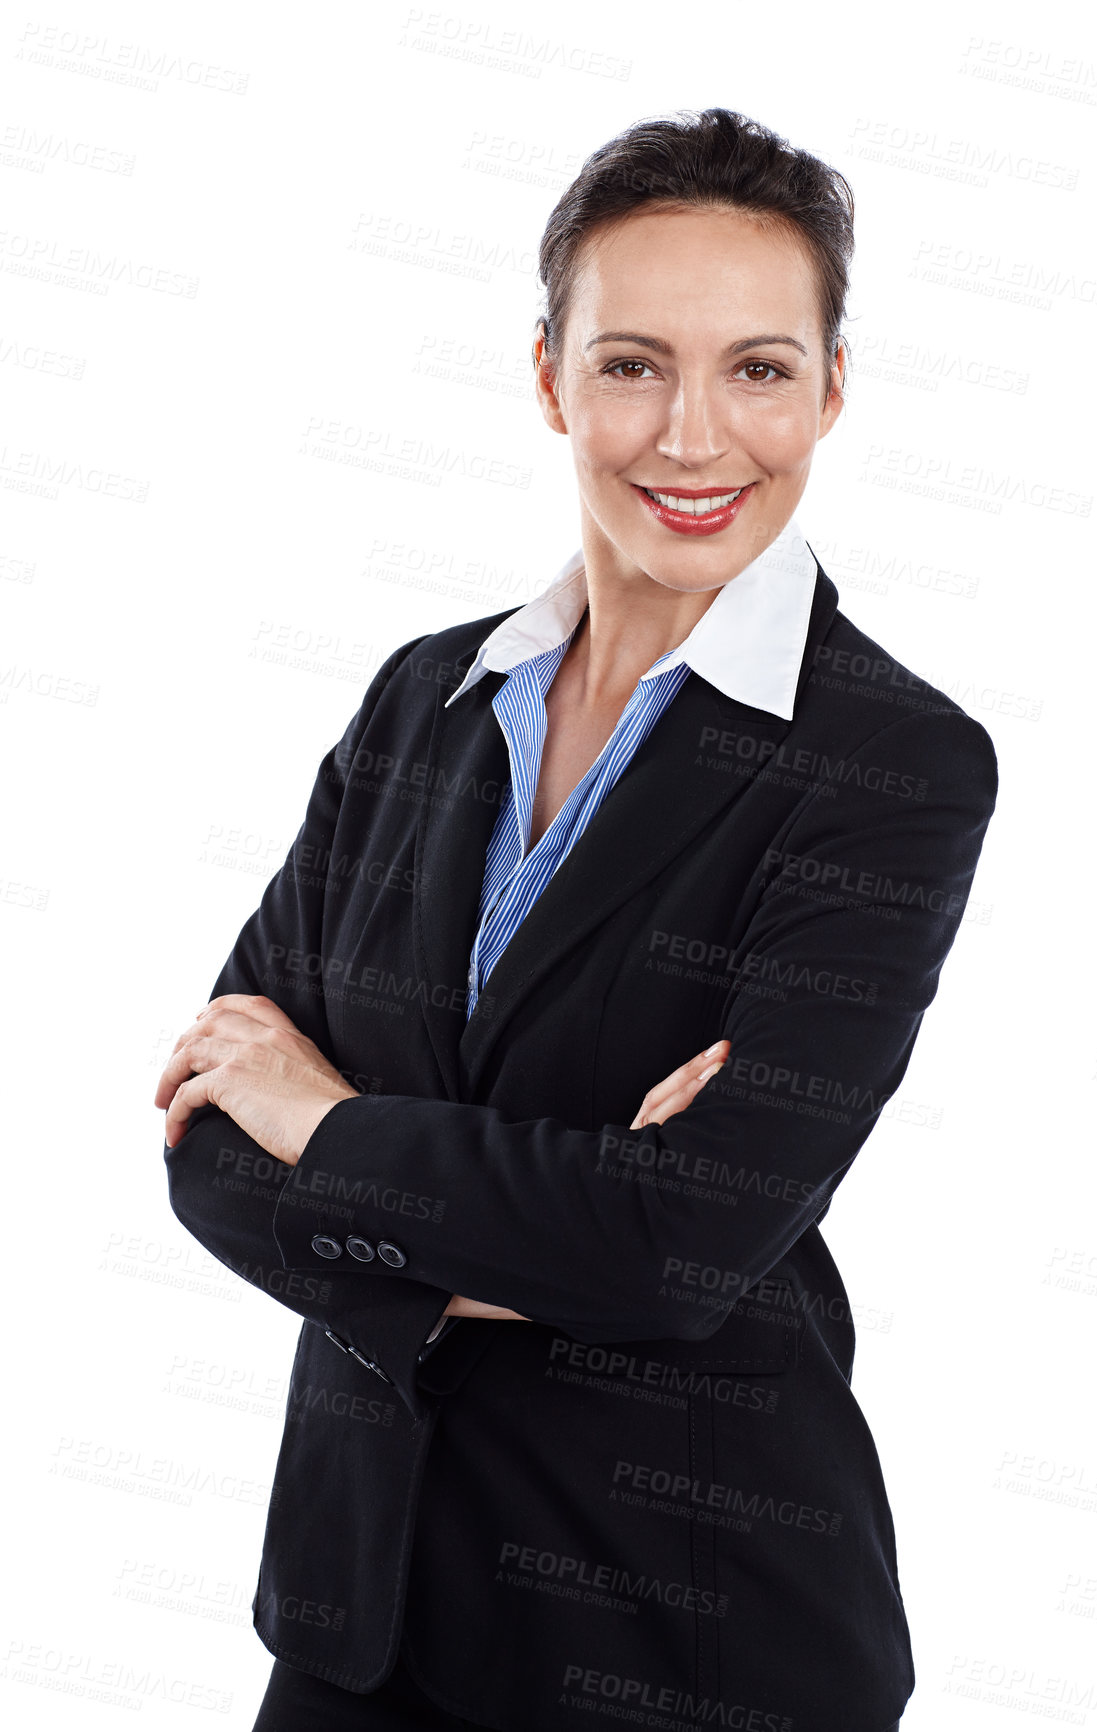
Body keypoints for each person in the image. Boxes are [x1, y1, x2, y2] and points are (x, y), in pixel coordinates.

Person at [157, 107, 996, 1732]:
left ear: (831, 389)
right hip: (356, 1615)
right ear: (548, 377)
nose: (694, 436)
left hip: (684, 1639)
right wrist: (570, 1216)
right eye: (631, 365)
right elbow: (205, 1145)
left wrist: (326, 1123)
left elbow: (687, 1245)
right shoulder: (423, 699)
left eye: (757, 368)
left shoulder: (889, 761)